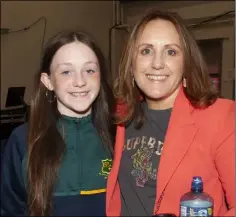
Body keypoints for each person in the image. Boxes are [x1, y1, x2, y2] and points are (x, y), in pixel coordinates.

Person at [106, 10, 234, 216]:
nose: (157, 63)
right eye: (146, 51)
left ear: (186, 64)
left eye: (171, 52)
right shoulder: (123, 116)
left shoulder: (220, 116)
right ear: (131, 64)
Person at [1, 30, 116, 216]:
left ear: (100, 77)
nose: (80, 81)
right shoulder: (23, 140)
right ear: (48, 81)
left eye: (89, 70)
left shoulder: (119, 136)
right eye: (66, 72)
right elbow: (10, 210)